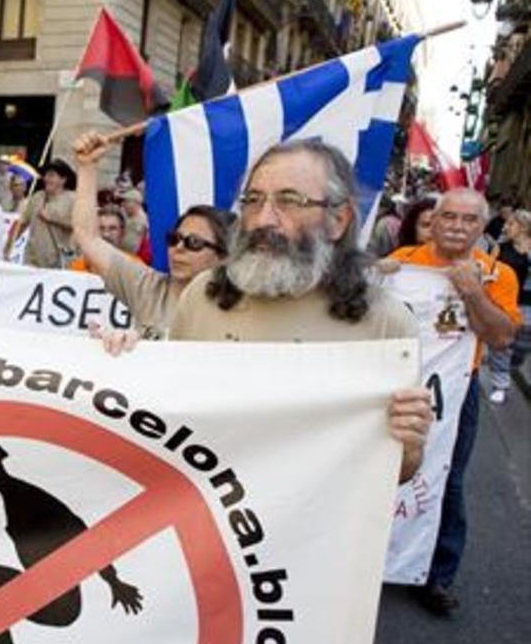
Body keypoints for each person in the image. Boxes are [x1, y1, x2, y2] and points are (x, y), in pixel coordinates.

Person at [97, 140, 432, 486]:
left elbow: (394, 475)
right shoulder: (202, 296)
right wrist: (124, 362)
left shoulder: (386, 325)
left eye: (289, 201)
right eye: (253, 200)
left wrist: (409, 448)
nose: (263, 219)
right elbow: (167, 416)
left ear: (337, 220)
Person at [390, 190, 522, 614]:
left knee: (448, 478)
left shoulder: (496, 275)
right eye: (449, 216)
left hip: (455, 390)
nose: (456, 226)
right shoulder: (404, 260)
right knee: (385, 470)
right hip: (397, 384)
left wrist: (471, 293)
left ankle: (438, 576)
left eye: (469, 220)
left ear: (482, 228)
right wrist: (373, 275)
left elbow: (501, 336)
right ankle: (379, 556)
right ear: (435, 218)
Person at [71, 132, 230, 337]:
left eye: (194, 242)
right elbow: (88, 237)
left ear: (222, 256)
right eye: (174, 239)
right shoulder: (148, 288)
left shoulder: (242, 307)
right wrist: (87, 167)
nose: (178, 248)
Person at [485, 208, 531, 404]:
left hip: (528, 307)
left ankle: (510, 368)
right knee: (501, 344)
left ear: (523, 228)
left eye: (511, 224)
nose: (506, 227)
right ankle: (500, 382)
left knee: (521, 347)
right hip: (504, 303)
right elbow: (488, 269)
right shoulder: (500, 248)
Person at [9, 158, 76, 268]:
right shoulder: (37, 197)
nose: (46, 179)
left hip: (58, 262)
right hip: (32, 261)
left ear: (63, 179)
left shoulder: (73, 199)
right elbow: (22, 224)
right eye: (46, 175)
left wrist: (53, 219)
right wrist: (9, 246)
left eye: (51, 175)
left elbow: (79, 227)